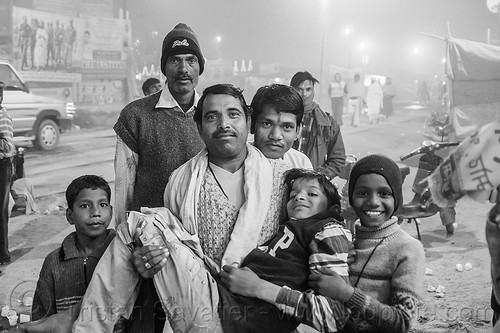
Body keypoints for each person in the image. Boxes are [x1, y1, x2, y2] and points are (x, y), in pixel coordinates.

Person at [113, 22, 206, 332]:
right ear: (164, 65)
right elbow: (124, 183)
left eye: (191, 60)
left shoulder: (214, 115)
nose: (183, 68)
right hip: (148, 246)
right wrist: (126, 241)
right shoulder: (136, 115)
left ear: (200, 67)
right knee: (143, 323)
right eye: (175, 60)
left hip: (197, 245)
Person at [30, 175, 125, 331]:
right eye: (85, 206)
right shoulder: (54, 262)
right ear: (69, 215)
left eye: (102, 204)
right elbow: (42, 319)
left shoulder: (122, 255)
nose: (95, 212)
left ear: (111, 210)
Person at [290, 71, 346, 180]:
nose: (304, 94)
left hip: (311, 186)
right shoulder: (281, 118)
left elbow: (337, 159)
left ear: (313, 91)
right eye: (299, 89)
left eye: (308, 89)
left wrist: (320, 178)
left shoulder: (328, 123)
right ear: (292, 90)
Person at [250, 83, 312, 169]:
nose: (276, 136)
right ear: (252, 125)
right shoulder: (237, 164)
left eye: (287, 127)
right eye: (267, 124)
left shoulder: (301, 164)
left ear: (298, 131)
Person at [0, 82, 15, 268]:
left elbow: (8, 146)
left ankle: (3, 255)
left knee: (0, 212)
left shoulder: (2, 115)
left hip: (2, 166)